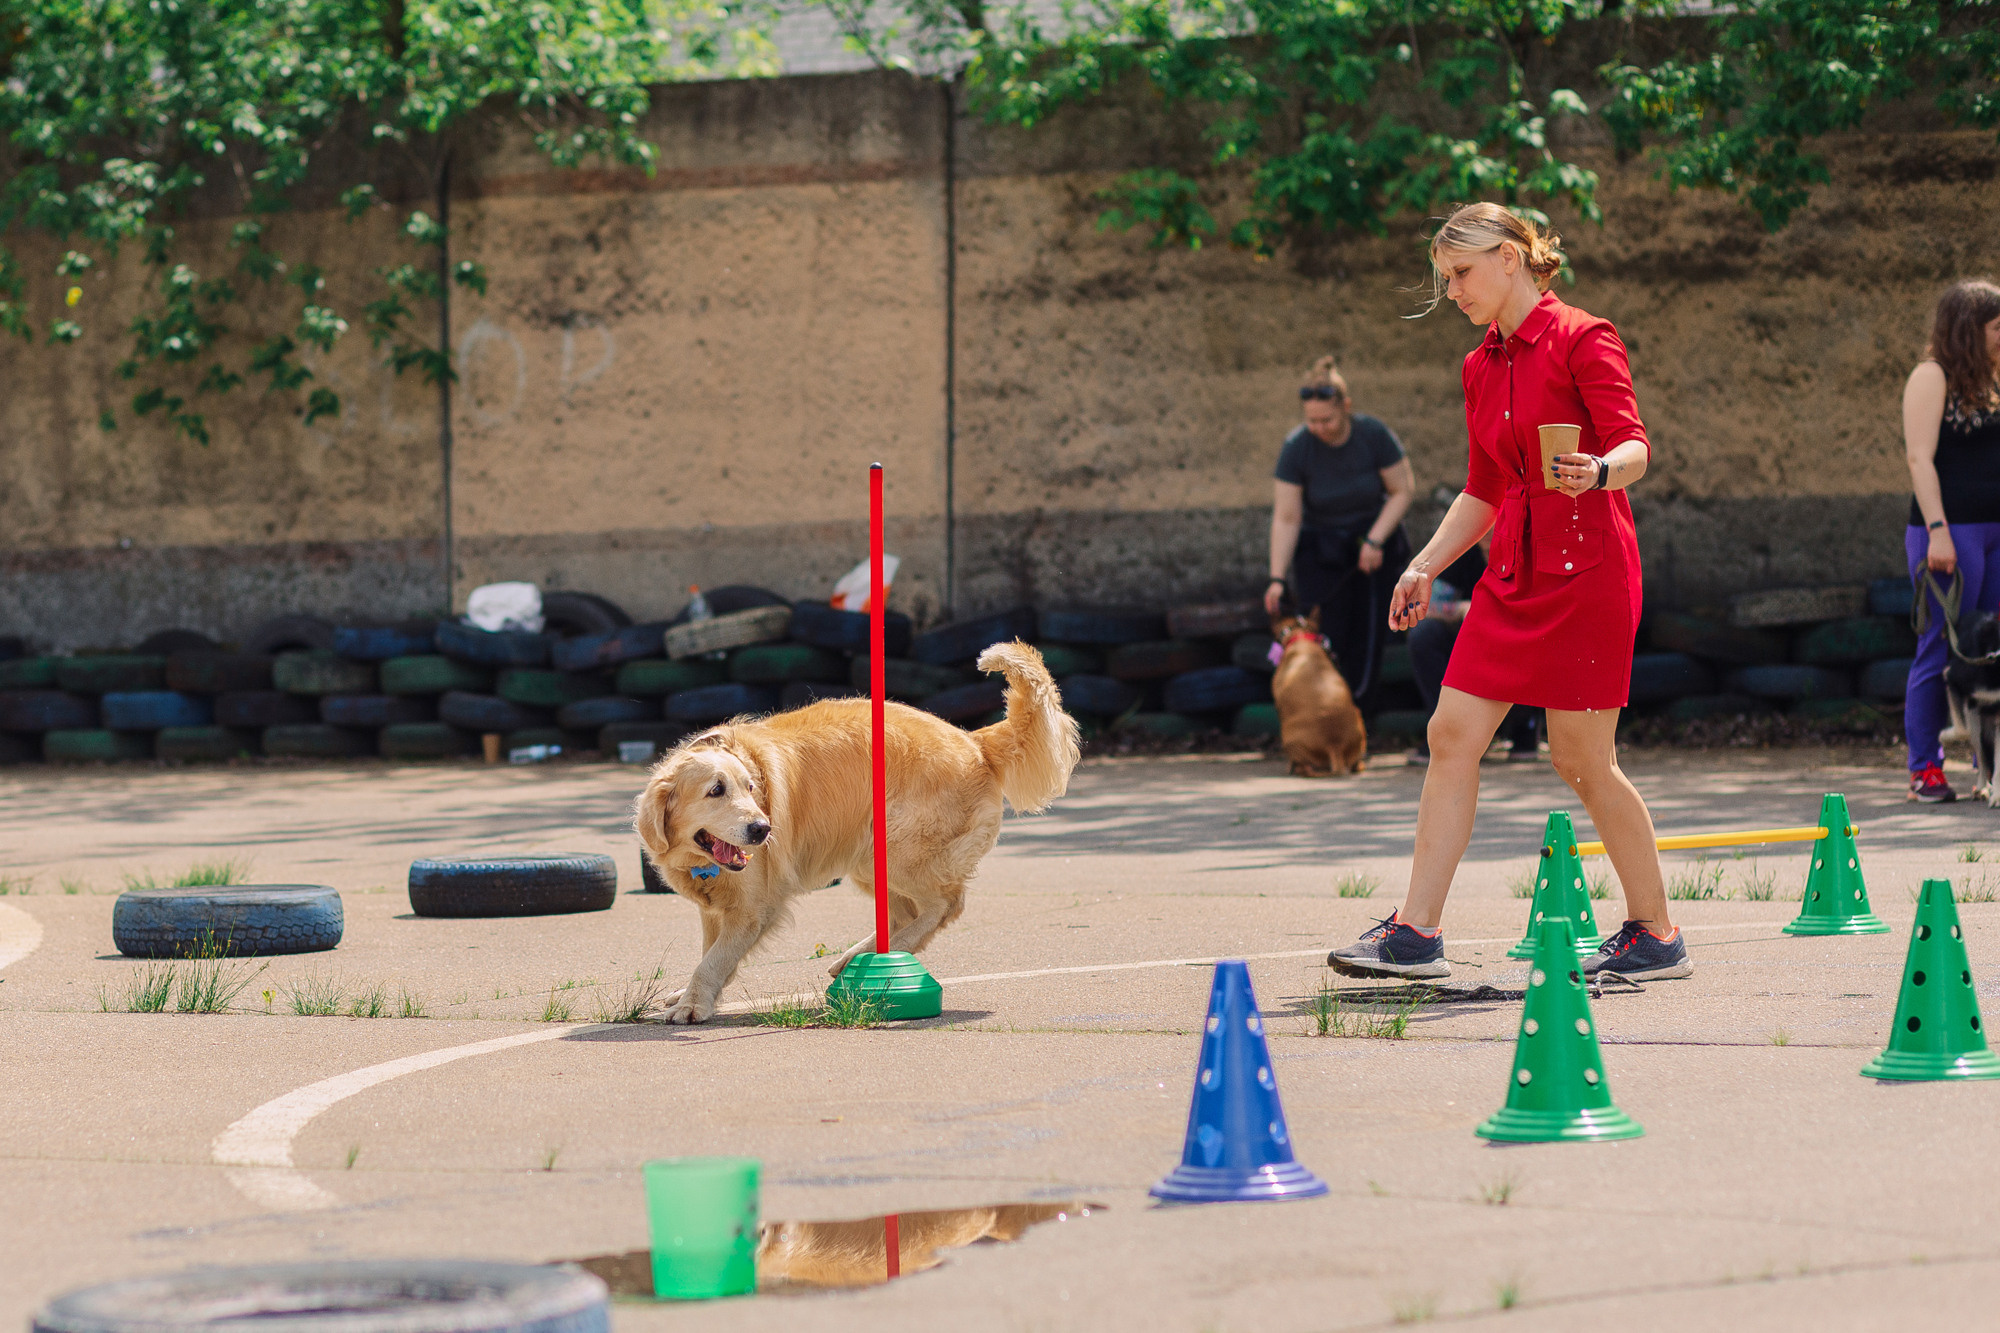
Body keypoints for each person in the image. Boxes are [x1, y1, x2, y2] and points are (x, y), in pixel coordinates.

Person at [1326, 202, 1686, 983]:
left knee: (1583, 760)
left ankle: (1656, 931)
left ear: (1510, 257)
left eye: (1460, 273)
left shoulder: (1584, 337)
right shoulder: (1478, 365)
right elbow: (1484, 487)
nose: (1452, 291)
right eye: (1445, 278)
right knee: (1451, 732)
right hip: (1513, 574)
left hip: (1589, 572)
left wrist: (1599, 470)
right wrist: (1423, 565)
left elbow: (1635, 444)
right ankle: (1416, 933)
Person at [1263, 358, 1415, 707]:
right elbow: (1287, 517)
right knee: (1326, 634)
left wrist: (1375, 539)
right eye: (1312, 421)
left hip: (1371, 545)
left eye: (1327, 420)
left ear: (1346, 407)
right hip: (1322, 550)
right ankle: (1325, 712)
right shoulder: (1297, 447)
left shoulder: (1374, 435)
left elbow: (1402, 491)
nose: (1319, 428)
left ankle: (1361, 713)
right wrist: (1276, 577)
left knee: (1367, 636)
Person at [1903, 279, 2000, 804]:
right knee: (1941, 647)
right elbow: (1919, 458)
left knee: (1992, 651)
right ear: (1970, 329)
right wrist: (1937, 530)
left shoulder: (1993, 380)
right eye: (1997, 327)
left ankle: (1989, 770)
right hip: (1949, 533)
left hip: (1995, 532)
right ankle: (1925, 769)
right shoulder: (1931, 376)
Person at [1404, 539, 1539, 766]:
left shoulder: (1529, 549)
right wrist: (1460, 609)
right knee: (1424, 636)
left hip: (1515, 631)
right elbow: (1424, 606)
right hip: (1466, 634)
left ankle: (1523, 729)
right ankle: (1448, 731)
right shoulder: (1462, 550)